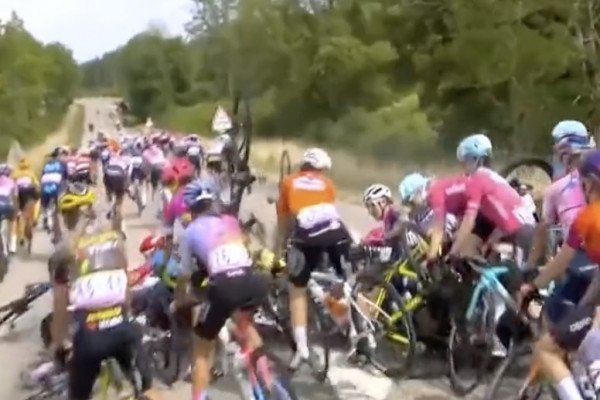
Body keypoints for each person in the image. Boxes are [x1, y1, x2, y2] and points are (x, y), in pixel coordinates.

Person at [173, 178, 267, 400]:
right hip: (253, 281)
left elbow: (184, 275)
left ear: (191, 209)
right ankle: (266, 380)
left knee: (201, 347)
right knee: (244, 324)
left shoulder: (190, 231)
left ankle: (199, 397)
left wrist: (179, 300)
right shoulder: (230, 221)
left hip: (225, 287)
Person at [519, 150, 600, 400]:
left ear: (591, 182)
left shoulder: (587, 219)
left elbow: (561, 263)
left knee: (546, 350)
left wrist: (532, 286)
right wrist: (588, 306)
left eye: (584, 183)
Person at [49, 221, 160, 400]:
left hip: (90, 338)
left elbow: (60, 310)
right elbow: (126, 296)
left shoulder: (68, 253)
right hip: (124, 330)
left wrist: (58, 345)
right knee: (148, 389)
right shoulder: (116, 248)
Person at [274, 147, 352, 368]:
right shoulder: (328, 185)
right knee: (343, 280)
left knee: (297, 289)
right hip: (337, 233)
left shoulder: (289, 182)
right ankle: (350, 323)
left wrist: (281, 248)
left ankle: (302, 348)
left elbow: (284, 222)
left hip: (307, 237)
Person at [524, 134, 595, 324]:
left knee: (553, 322)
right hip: (581, 265)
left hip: (577, 266)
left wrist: (531, 278)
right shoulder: (559, 189)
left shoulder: (558, 190)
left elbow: (545, 232)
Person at [449, 133, 535, 263]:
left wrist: (454, 251)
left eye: (466, 161)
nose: (464, 166)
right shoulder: (492, 177)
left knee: (522, 280)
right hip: (517, 227)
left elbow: (469, 221)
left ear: (477, 160)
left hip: (520, 230)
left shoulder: (477, 180)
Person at [12, 158, 40, 252]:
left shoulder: (16, 173)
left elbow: (12, 184)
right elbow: (36, 184)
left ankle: (20, 236)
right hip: (29, 192)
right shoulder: (30, 173)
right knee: (37, 200)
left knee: (20, 216)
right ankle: (35, 217)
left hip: (19, 193)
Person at [40, 149, 68, 231]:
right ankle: (61, 219)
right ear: (59, 155)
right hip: (57, 184)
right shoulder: (62, 163)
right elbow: (66, 176)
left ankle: (45, 217)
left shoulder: (46, 164)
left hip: (45, 184)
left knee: (45, 204)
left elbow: (42, 175)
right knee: (60, 201)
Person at [0, 164, 18, 254]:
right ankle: (13, 246)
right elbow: (15, 197)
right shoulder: (12, 182)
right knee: (14, 220)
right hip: (8, 205)